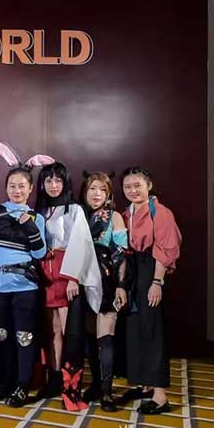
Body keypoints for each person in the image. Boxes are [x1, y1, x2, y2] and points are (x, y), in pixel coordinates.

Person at [0, 143, 51, 408]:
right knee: (1, 335)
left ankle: (22, 385)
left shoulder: (36, 217)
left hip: (25, 287)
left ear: (31, 189)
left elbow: (40, 253)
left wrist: (30, 227)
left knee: (24, 336)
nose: (17, 190)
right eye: (12, 186)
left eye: (22, 186)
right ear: (6, 187)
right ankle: (5, 382)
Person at [35, 162, 102, 412]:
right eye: (48, 181)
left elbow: (81, 243)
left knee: (69, 331)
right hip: (45, 272)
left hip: (66, 271)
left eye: (58, 180)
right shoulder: (39, 211)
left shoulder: (74, 210)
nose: (53, 185)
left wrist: (74, 277)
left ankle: (70, 386)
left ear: (65, 183)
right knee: (51, 330)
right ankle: (53, 378)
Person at [118, 166, 181, 414]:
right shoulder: (127, 213)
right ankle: (144, 384)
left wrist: (157, 282)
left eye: (138, 185)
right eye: (128, 187)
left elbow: (165, 249)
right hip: (133, 270)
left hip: (151, 270)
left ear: (149, 186)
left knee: (153, 329)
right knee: (135, 326)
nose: (133, 190)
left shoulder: (161, 213)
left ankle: (160, 395)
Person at [79, 171, 129, 412]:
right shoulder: (78, 215)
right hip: (82, 280)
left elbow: (121, 254)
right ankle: (96, 384)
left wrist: (121, 285)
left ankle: (107, 392)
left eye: (102, 189)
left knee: (105, 337)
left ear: (108, 194)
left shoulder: (114, 217)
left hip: (107, 280)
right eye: (92, 189)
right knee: (89, 335)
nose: (97, 194)